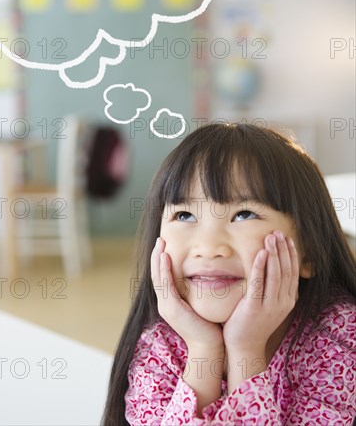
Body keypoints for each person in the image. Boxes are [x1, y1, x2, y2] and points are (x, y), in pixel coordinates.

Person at [102, 122, 356, 425]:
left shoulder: (338, 335)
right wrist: (203, 350)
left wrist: (246, 349)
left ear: (310, 252)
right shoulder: (159, 342)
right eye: (184, 215)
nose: (208, 247)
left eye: (244, 214)